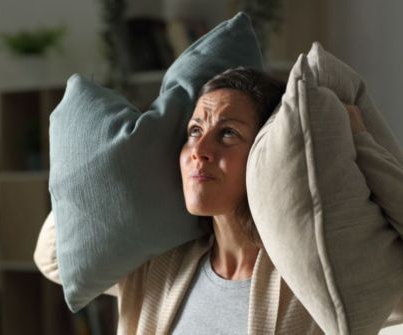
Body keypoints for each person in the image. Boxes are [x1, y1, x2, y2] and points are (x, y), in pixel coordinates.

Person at [34, 67, 400, 334]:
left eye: (227, 134)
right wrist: (126, 161)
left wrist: (363, 143)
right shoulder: (158, 264)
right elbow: (53, 260)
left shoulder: (314, 272)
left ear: (263, 154)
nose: (200, 151)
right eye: (194, 131)